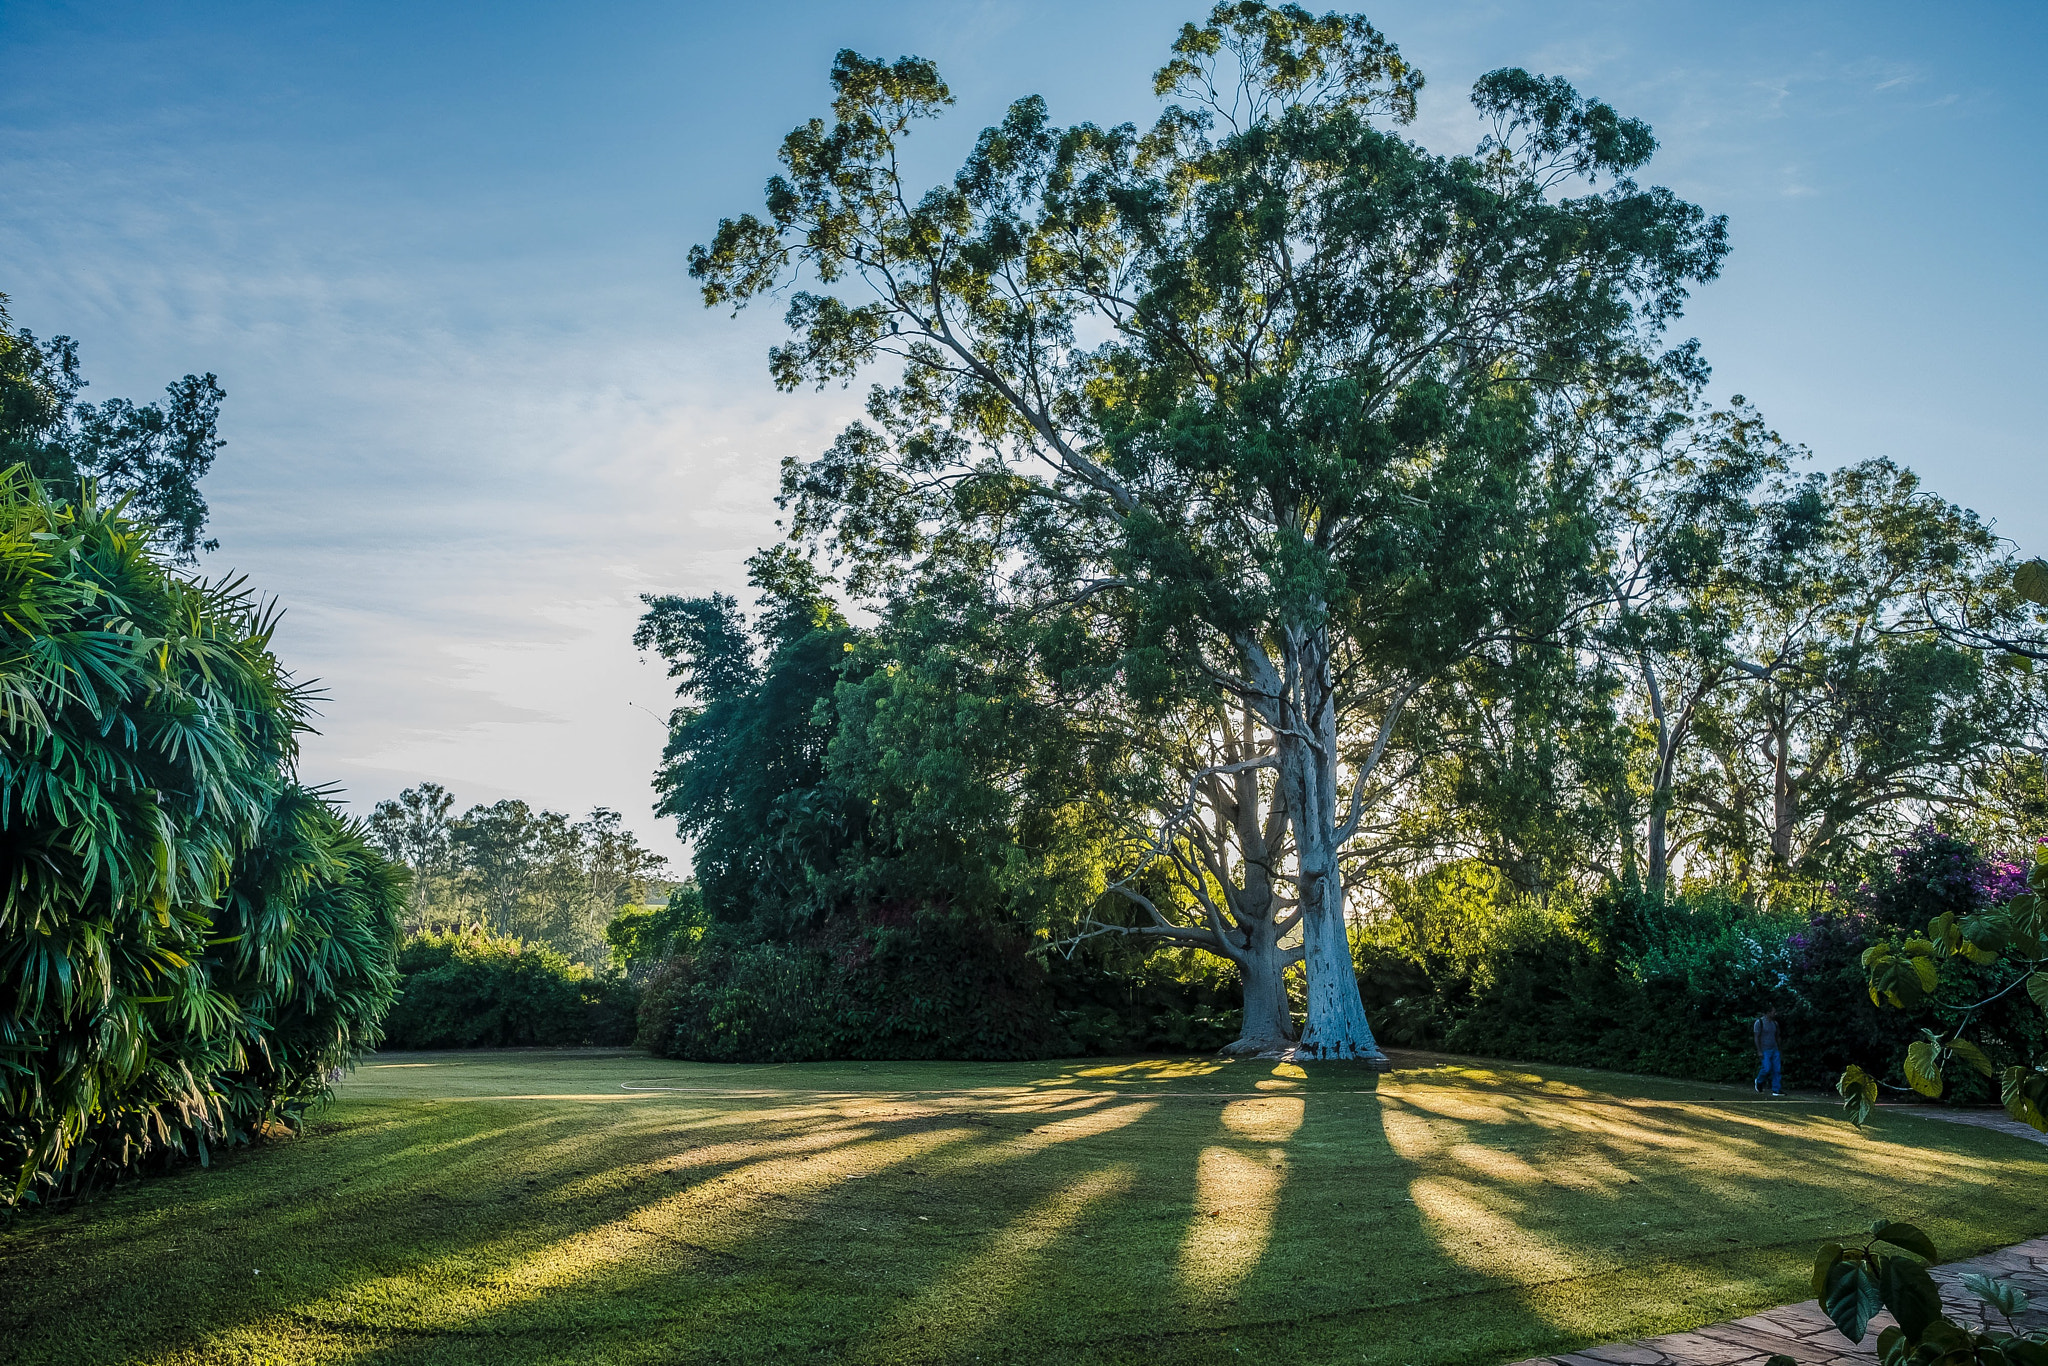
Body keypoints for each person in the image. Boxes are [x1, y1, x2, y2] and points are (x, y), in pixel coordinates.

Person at [1753, 1008, 1782, 1096]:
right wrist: (1759, 1051)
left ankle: (1776, 1089)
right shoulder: (1759, 1023)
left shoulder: (1775, 1023)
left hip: (1774, 1049)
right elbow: (1756, 1037)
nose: (1775, 1014)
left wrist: (1779, 1049)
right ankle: (1759, 1081)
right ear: (1768, 1012)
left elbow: (1777, 1036)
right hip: (1765, 1049)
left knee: (1777, 1069)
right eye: (1774, 1012)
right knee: (1766, 1068)